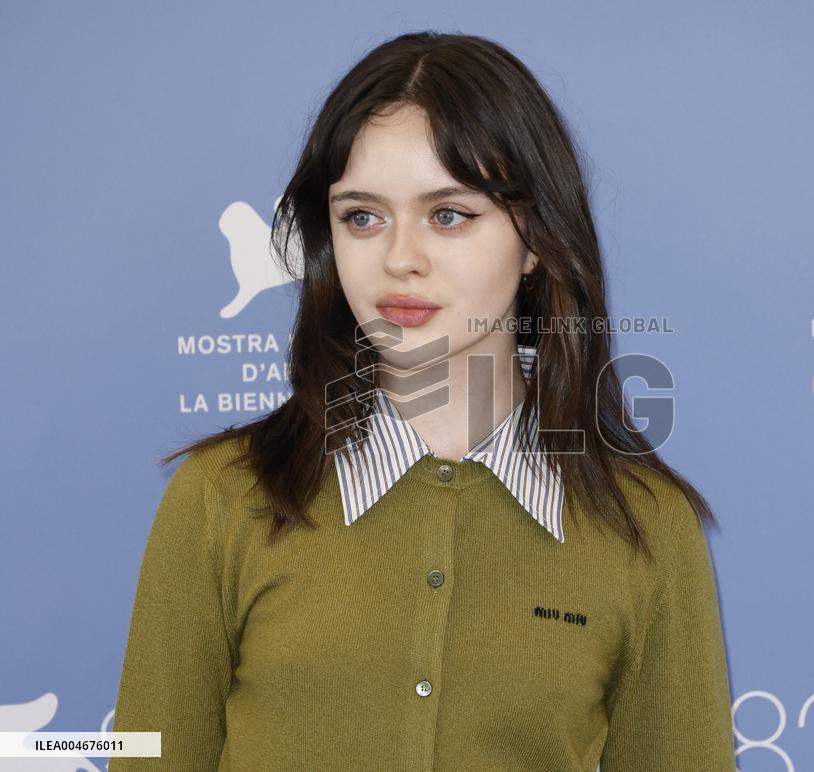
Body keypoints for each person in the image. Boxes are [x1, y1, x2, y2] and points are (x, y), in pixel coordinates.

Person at [110, 30, 737, 771]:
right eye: (362, 216)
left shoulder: (645, 527)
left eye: (448, 214)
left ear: (536, 239)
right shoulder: (221, 497)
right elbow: (149, 755)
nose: (399, 258)